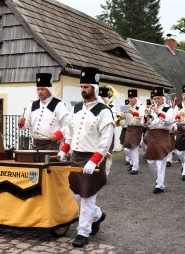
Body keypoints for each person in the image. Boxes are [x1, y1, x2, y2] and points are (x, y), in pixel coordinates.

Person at [57, 67, 114, 248]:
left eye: (87, 86)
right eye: (81, 86)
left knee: (87, 196)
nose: (83, 89)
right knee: (76, 195)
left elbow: (106, 140)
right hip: (77, 157)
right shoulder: (75, 108)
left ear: (95, 88)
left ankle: (83, 233)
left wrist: (95, 159)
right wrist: (64, 150)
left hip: (93, 158)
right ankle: (97, 216)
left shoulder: (104, 111)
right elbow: (70, 133)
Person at [18, 73, 69, 150]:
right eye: (38, 89)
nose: (40, 92)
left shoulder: (59, 104)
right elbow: (25, 125)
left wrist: (57, 135)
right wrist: (22, 123)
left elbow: (68, 125)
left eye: (43, 89)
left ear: (49, 89)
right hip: (35, 145)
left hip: (52, 145)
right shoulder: (33, 104)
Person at [143, 87, 174, 193]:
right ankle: (158, 180)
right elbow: (145, 124)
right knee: (150, 161)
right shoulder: (151, 108)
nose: (156, 101)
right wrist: (146, 116)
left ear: (163, 98)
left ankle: (160, 185)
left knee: (160, 161)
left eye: (158, 99)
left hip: (163, 135)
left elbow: (170, 120)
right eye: (154, 99)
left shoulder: (168, 109)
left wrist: (159, 113)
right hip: (152, 135)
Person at [123, 89, 144, 174]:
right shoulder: (127, 106)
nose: (130, 100)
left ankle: (135, 168)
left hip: (137, 128)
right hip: (129, 128)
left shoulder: (141, 107)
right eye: (129, 98)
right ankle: (132, 163)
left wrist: (133, 112)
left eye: (132, 98)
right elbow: (122, 117)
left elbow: (142, 116)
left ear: (135, 98)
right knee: (126, 149)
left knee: (134, 149)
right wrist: (122, 115)